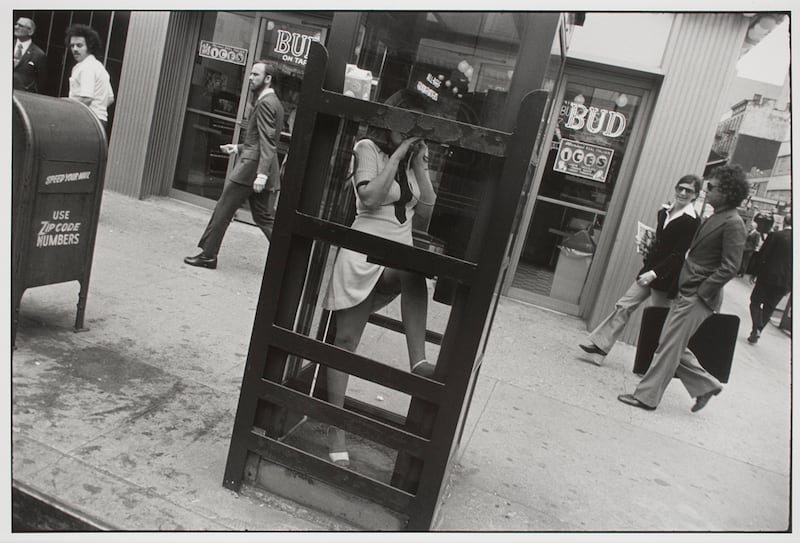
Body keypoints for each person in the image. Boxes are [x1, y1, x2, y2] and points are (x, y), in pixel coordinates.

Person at [321, 91, 438, 467]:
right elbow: (369, 197)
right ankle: (334, 426)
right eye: (407, 122)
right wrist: (399, 155)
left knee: (413, 272)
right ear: (391, 119)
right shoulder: (368, 147)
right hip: (362, 252)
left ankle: (418, 361)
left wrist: (418, 163)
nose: (412, 130)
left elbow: (428, 207)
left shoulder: (414, 158)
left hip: (395, 255)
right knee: (345, 341)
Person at [618, 164, 749, 413]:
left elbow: (730, 267)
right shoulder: (716, 216)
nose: (706, 191)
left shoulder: (733, 223)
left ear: (728, 192)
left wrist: (702, 291)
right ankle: (706, 385)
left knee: (668, 346)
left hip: (698, 297)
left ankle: (646, 397)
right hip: (688, 292)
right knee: (670, 342)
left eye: (711, 187)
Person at [579, 175, 702, 363]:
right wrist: (646, 245)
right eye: (681, 188)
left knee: (659, 323)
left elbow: (678, 255)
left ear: (695, 195)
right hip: (648, 271)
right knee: (624, 306)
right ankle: (600, 349)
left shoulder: (692, 221)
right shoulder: (664, 211)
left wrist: (654, 274)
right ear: (675, 188)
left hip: (665, 278)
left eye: (689, 191)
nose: (683, 193)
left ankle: (661, 363)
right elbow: (661, 243)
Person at [184, 60, 285, 269]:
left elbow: (267, 141)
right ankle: (289, 258)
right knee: (264, 217)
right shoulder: (274, 102)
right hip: (258, 164)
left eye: (255, 75)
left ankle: (208, 256)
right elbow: (262, 140)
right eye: (251, 74)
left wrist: (261, 174)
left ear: (268, 79)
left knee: (223, 209)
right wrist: (238, 148)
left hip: (251, 169)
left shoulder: (266, 103)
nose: (250, 78)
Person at [747, 214, 792, 344]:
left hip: (767, 276)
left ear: (784, 221)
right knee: (770, 307)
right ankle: (758, 330)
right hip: (785, 281)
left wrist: (754, 273)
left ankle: (756, 327)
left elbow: (763, 255)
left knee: (755, 302)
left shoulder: (775, 235)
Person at [65, 24, 114, 130]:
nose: (75, 49)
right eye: (72, 46)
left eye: (79, 45)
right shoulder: (98, 66)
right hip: (99, 120)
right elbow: (110, 98)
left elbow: (87, 98)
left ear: (90, 46)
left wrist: (65, 108)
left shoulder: (87, 67)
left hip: (85, 120)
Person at [13, 17, 47, 93]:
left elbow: (41, 82)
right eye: (16, 24)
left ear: (30, 31)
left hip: (23, 96)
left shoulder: (39, 55)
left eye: (20, 25)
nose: (16, 27)